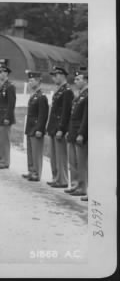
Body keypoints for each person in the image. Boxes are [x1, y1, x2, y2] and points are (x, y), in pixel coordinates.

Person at [46, 66, 74, 188]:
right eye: (53, 76)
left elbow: (65, 112)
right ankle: (55, 177)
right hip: (53, 127)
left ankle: (62, 179)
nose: (54, 78)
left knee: (61, 155)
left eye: (56, 75)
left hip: (59, 128)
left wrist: (61, 129)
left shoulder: (67, 91)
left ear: (62, 75)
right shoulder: (59, 90)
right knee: (54, 155)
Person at [65, 68, 88, 201]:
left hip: (80, 133)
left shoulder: (87, 95)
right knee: (73, 161)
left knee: (81, 162)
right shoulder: (79, 95)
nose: (76, 81)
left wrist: (81, 133)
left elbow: (85, 117)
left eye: (78, 79)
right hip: (73, 132)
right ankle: (76, 185)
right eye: (75, 79)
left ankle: (82, 186)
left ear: (85, 80)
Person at [22, 70, 49, 181]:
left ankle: (36, 173)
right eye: (29, 80)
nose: (29, 82)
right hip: (30, 127)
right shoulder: (34, 96)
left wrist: (40, 129)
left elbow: (43, 115)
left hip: (36, 128)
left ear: (38, 82)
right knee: (30, 151)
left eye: (32, 80)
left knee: (36, 152)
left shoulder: (42, 97)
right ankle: (31, 170)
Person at [0, 59, 16, 169]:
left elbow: (11, 104)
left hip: (6, 117)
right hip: (0, 116)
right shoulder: (0, 86)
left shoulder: (10, 87)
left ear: (6, 73)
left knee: (5, 140)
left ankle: (5, 161)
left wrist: (8, 117)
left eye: (1, 72)